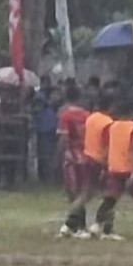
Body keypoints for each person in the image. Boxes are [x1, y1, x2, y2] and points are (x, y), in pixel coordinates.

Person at [62, 92, 113, 238]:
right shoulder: (106, 121)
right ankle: (72, 224)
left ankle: (74, 225)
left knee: (89, 194)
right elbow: (106, 143)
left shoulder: (91, 118)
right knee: (104, 194)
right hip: (99, 160)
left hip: (88, 157)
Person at [92, 102, 133, 241]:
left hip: (113, 166)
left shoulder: (111, 127)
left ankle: (99, 225)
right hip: (127, 167)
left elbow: (105, 147)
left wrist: (105, 165)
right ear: (132, 111)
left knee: (110, 199)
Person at [55, 84, 90, 238]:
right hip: (85, 155)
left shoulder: (65, 115)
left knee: (73, 193)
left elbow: (64, 138)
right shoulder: (87, 115)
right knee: (82, 192)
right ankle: (80, 226)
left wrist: (57, 156)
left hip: (71, 156)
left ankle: (75, 226)